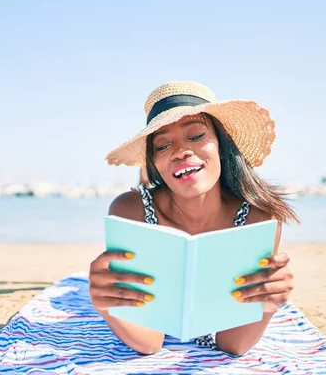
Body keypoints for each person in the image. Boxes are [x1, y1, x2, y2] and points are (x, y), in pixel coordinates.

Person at [89, 80, 299, 356]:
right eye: (162, 145)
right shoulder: (131, 211)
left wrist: (268, 306)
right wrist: (107, 307)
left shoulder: (258, 216)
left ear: (222, 146)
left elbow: (233, 344)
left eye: (196, 136)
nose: (180, 151)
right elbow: (150, 342)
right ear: (154, 164)